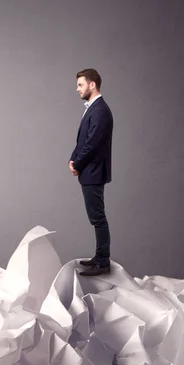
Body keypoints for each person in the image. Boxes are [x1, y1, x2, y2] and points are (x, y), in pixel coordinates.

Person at [69, 68, 113, 276]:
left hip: (94, 171)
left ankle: (103, 262)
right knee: (96, 217)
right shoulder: (93, 109)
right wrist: (73, 158)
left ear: (92, 85)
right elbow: (83, 140)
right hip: (89, 170)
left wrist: (77, 164)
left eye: (80, 85)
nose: (77, 89)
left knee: (97, 218)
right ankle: (99, 256)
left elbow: (92, 143)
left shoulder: (100, 111)